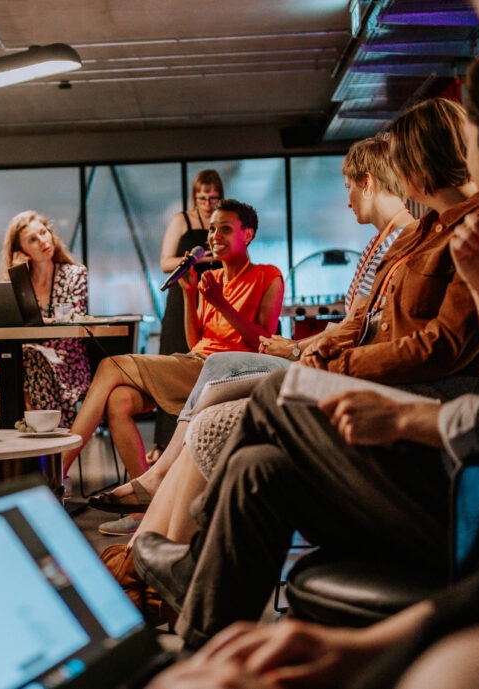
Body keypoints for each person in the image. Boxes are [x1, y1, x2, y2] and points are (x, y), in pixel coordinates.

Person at [144, 24, 479, 686]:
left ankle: (190, 573)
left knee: (277, 403)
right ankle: (198, 653)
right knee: (259, 466)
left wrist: (404, 420)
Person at [104, 99, 479, 619]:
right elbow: (366, 319)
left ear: (420, 164)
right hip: (382, 379)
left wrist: (333, 366)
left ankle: (178, 564)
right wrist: (326, 349)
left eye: (397, 160)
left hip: (408, 394)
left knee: (240, 404)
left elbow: (441, 347)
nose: (390, 173)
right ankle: (169, 572)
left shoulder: (472, 229)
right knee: (225, 408)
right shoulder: (426, 231)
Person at [90, 135, 415, 511]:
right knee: (148, 384)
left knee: (202, 366)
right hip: (237, 358)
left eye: (349, 188)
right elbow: (351, 324)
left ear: (369, 182)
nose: (347, 199)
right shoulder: (378, 244)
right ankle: (154, 490)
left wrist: (293, 347)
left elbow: (354, 328)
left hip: (320, 365)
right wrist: (194, 295)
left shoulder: (390, 242)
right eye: (213, 229)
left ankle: (147, 481)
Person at [63, 199, 284, 534]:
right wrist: (189, 294)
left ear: (248, 234)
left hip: (226, 370)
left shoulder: (268, 276)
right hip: (196, 362)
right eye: (212, 228)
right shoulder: (210, 279)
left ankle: (54, 475)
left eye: (225, 228)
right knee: (118, 400)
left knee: (109, 366)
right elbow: (196, 342)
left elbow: (264, 342)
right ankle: (145, 510)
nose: (215, 235)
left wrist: (221, 305)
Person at [0, 211, 91, 430]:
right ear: (21, 250)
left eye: (44, 233)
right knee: (24, 360)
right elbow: (8, 323)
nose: (43, 241)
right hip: (28, 364)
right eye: (32, 240)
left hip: (67, 364)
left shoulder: (75, 274)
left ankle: (22, 434)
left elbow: (72, 325)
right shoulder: (20, 281)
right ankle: (39, 431)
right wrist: (16, 277)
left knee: (14, 377)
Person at [152, 169, 225, 462]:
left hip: (215, 294)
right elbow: (164, 262)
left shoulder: (224, 222)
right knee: (173, 360)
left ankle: (198, 437)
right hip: (184, 294)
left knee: (205, 363)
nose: (208, 204)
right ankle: (163, 443)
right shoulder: (181, 220)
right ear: (194, 198)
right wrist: (194, 260)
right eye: (202, 198)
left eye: (213, 198)